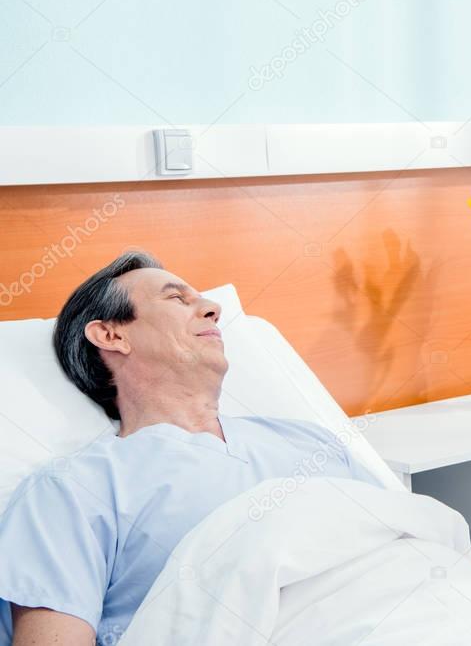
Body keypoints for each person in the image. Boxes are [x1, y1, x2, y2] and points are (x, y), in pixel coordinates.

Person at [0, 252, 384, 645]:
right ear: (112, 335)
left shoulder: (311, 441)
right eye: (177, 299)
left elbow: (414, 542)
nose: (213, 309)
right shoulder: (72, 491)